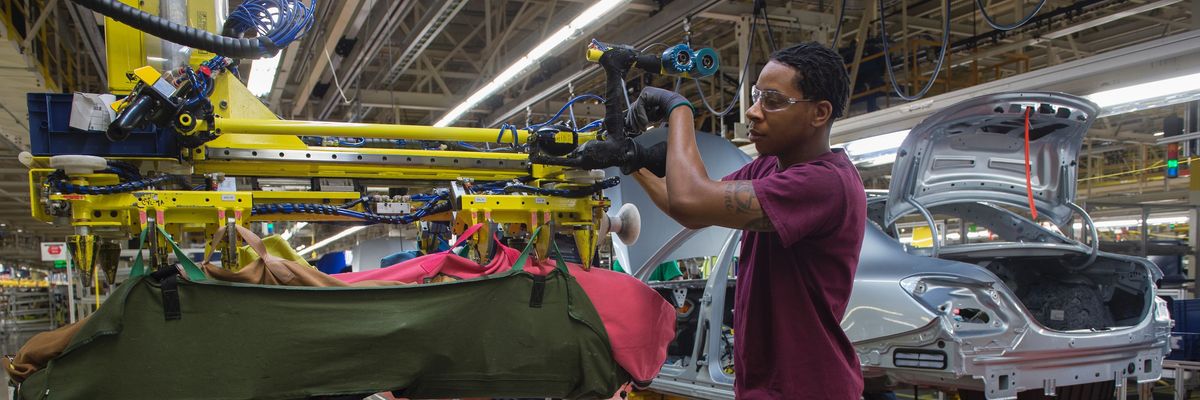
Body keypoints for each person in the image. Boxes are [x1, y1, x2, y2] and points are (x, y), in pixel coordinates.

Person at [626, 42, 866, 399]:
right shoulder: (770, 167)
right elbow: (690, 207)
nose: (753, 112)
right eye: (756, 97)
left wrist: (679, 110)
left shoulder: (824, 183)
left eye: (772, 100)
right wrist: (630, 158)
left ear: (819, 113)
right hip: (764, 387)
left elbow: (690, 200)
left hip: (808, 389)